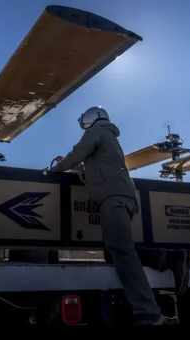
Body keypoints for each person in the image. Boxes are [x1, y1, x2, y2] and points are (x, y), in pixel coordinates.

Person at [49, 106, 167, 325]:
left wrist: (55, 169)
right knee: (118, 250)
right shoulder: (109, 136)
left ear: (92, 119)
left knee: (123, 252)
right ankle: (165, 261)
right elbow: (96, 167)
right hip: (122, 197)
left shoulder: (96, 131)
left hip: (113, 198)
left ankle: (149, 312)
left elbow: (77, 154)